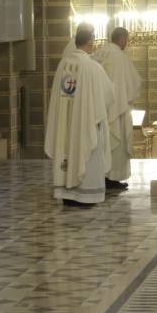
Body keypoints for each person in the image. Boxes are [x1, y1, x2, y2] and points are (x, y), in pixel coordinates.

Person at [45, 27, 114, 207]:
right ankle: (84, 196)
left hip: (65, 122)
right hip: (85, 122)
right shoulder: (92, 66)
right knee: (88, 153)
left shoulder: (63, 64)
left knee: (66, 150)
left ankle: (67, 195)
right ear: (90, 42)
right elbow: (108, 95)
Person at [92, 27, 141, 190]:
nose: (127, 43)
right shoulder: (120, 57)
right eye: (127, 40)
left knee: (102, 143)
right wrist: (129, 97)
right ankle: (112, 178)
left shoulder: (99, 53)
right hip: (118, 109)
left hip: (100, 108)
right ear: (122, 39)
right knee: (117, 143)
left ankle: (101, 176)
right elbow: (132, 82)